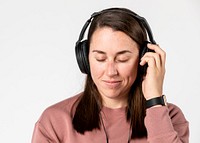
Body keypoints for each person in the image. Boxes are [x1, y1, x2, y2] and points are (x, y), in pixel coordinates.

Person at [31, 7, 189, 143]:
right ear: (85, 59)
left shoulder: (169, 118)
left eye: (122, 59)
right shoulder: (55, 121)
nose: (111, 72)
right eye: (100, 58)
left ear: (143, 59)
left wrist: (155, 101)